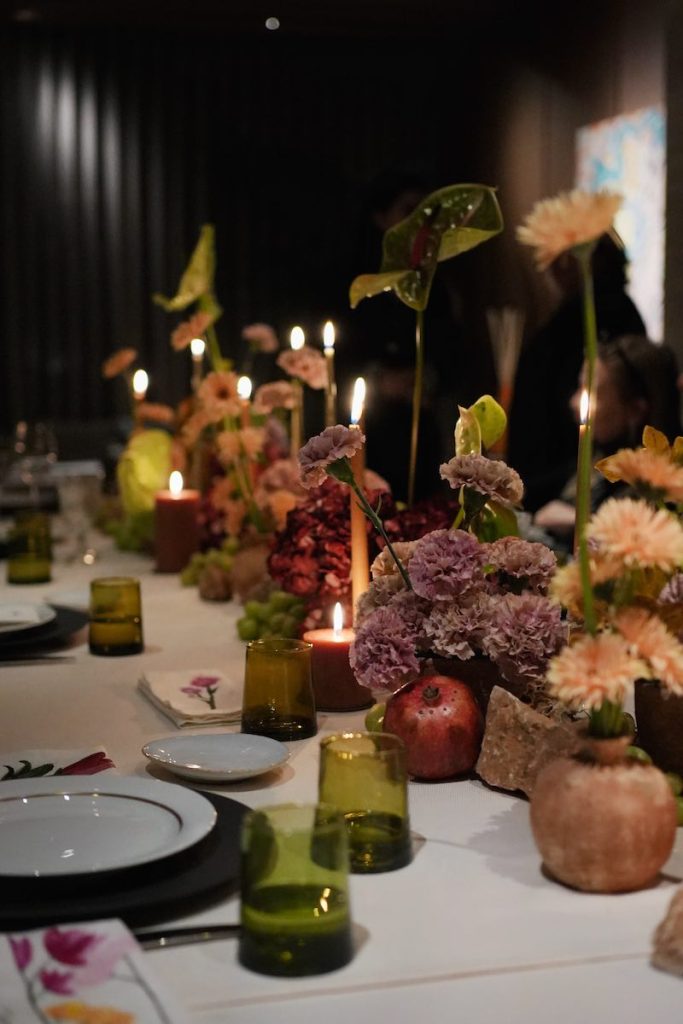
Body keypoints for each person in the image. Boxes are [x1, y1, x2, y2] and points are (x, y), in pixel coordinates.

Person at [337, 170, 463, 502]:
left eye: (426, 214)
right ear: (381, 218)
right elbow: (336, 358)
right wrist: (380, 380)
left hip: (421, 438)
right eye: (408, 211)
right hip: (370, 436)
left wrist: (426, 380)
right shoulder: (356, 283)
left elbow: (454, 357)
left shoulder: (436, 287)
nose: (419, 224)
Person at [507, 234, 646, 513]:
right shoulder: (569, 315)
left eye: (570, 258)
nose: (559, 269)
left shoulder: (610, 312)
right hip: (551, 473)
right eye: (554, 260)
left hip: (566, 468)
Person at [532, 334, 682, 548]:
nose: (574, 403)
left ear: (635, 410)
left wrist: (582, 521)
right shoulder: (597, 460)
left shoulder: (660, 489)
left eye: (592, 394)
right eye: (579, 387)